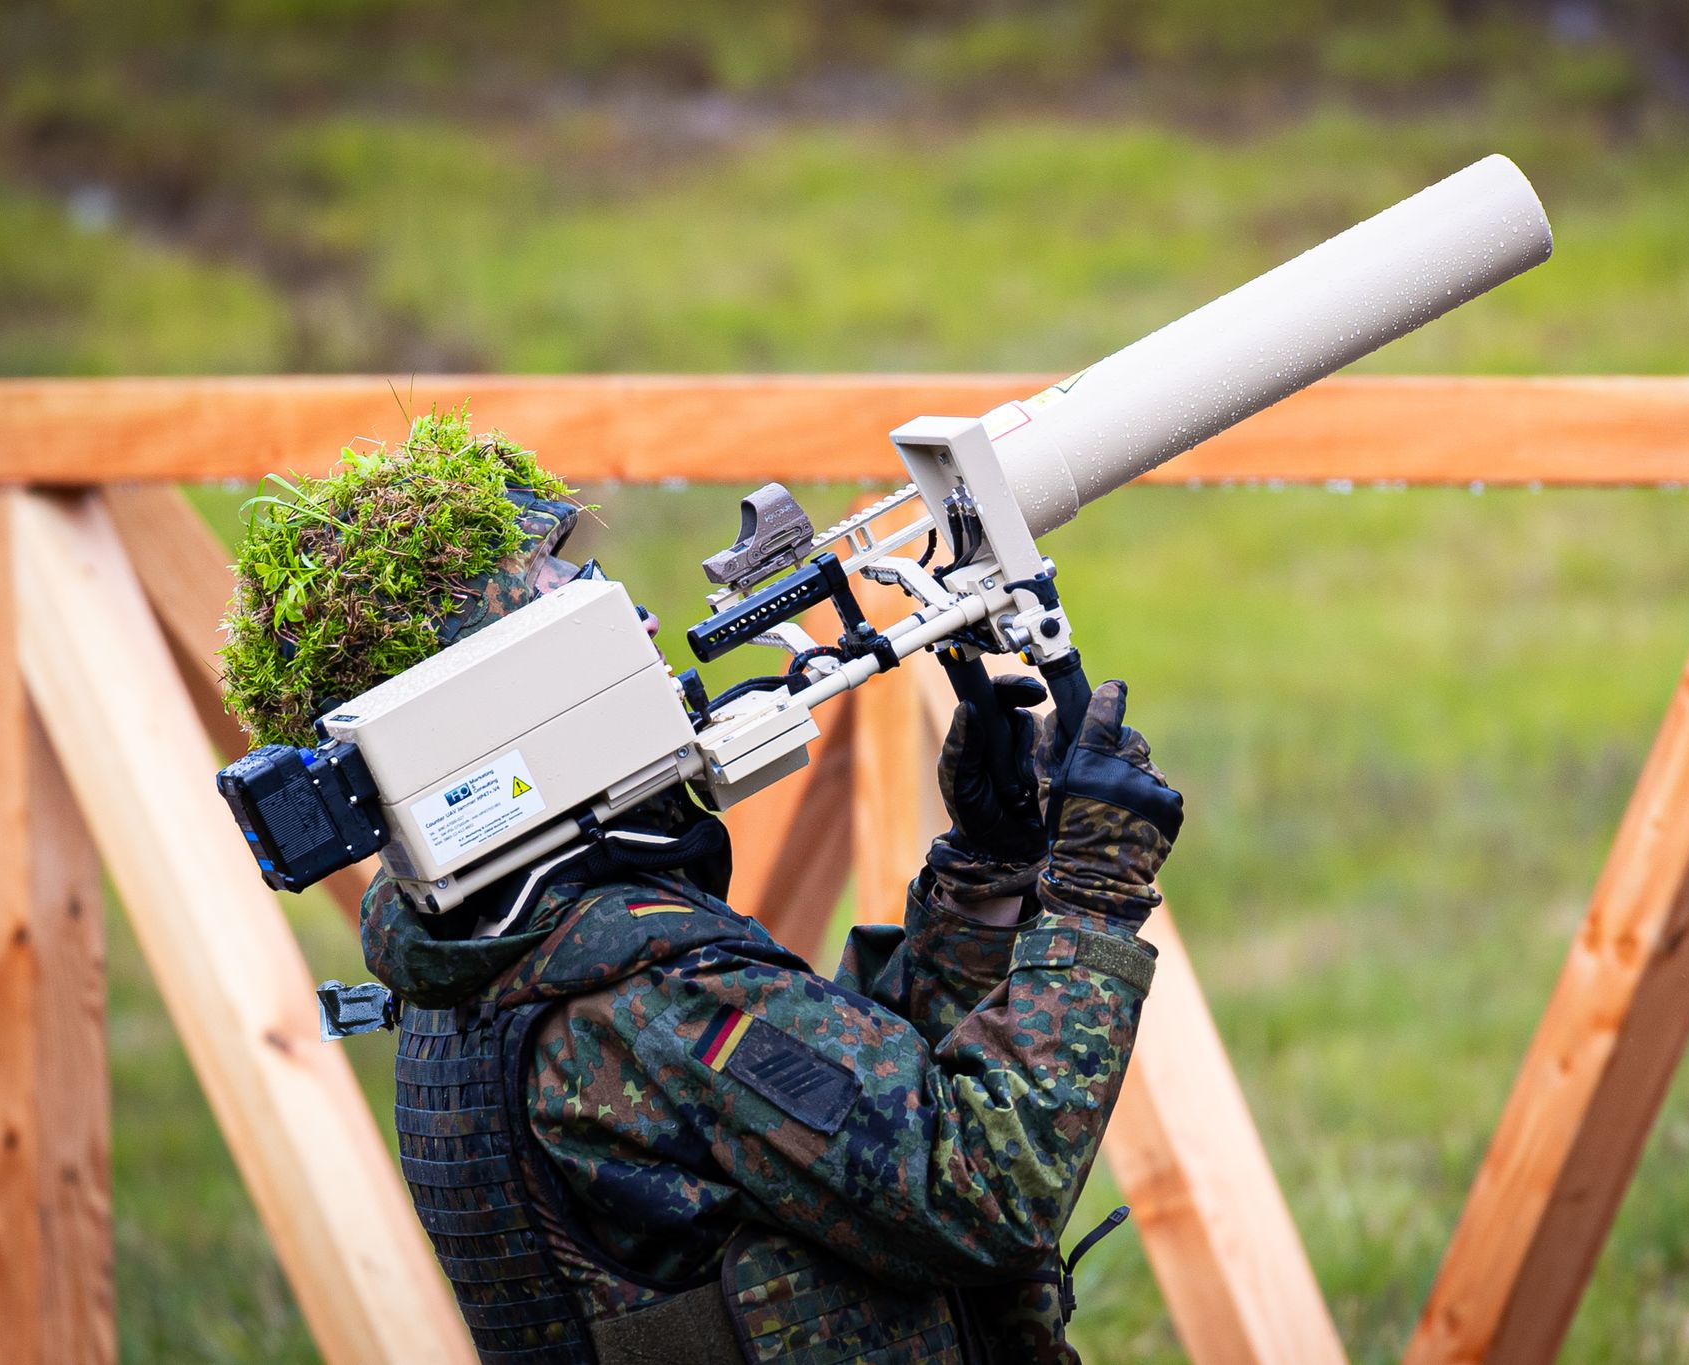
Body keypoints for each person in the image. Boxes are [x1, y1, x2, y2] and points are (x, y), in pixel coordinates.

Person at [224, 416, 1182, 1363]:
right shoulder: (646, 1001)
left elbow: (861, 1136)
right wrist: (1091, 893)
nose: (639, 621)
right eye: (579, 611)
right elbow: (977, 1191)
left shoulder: (489, 958)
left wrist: (990, 871)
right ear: (484, 715)